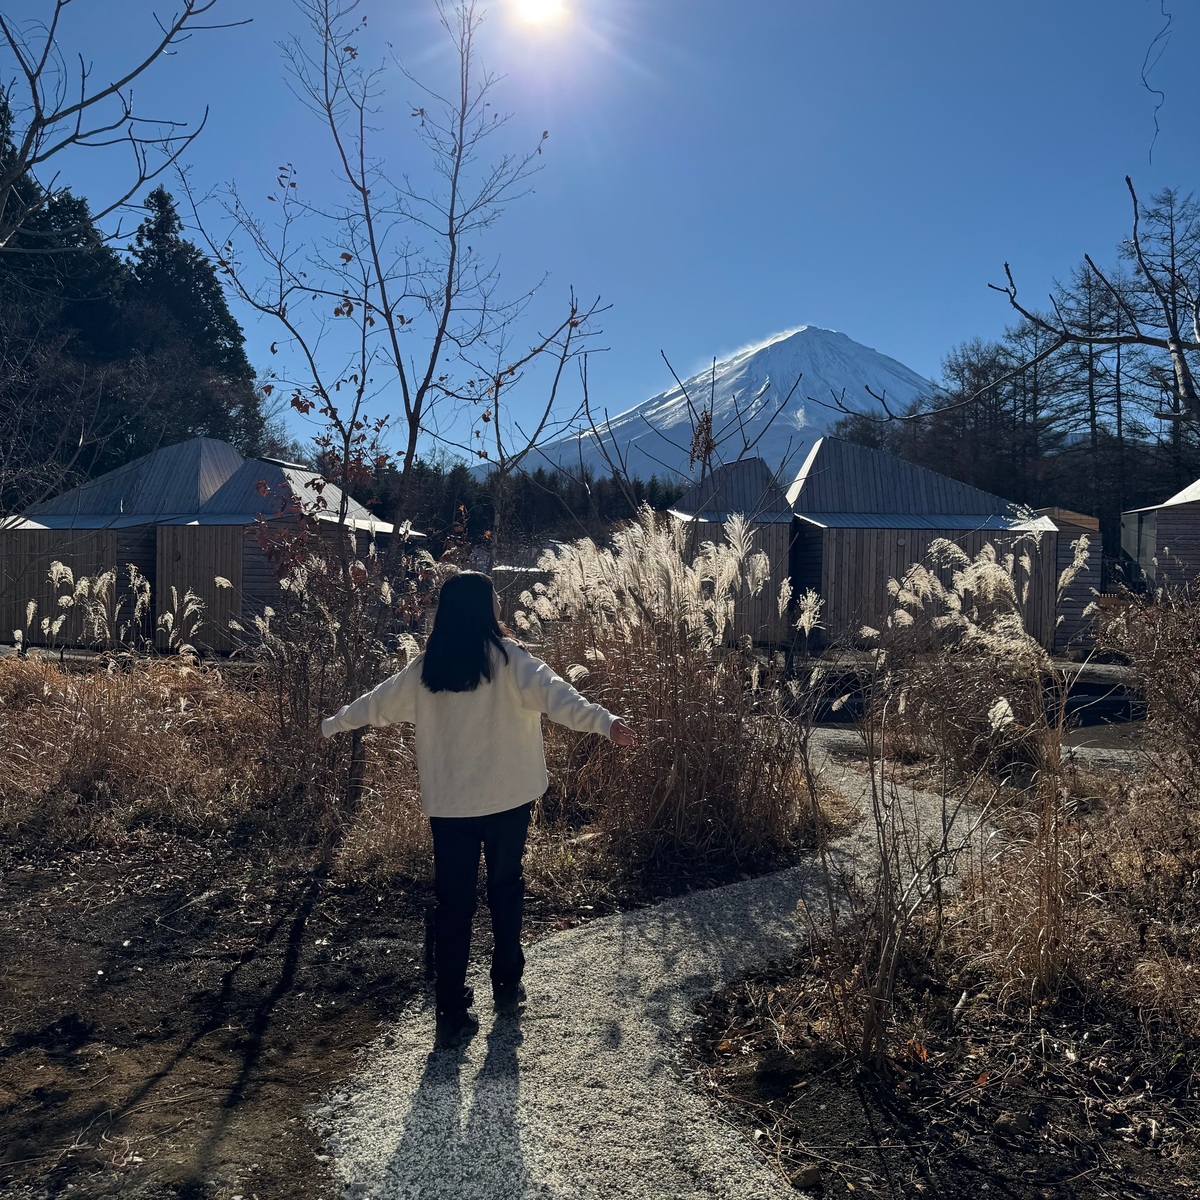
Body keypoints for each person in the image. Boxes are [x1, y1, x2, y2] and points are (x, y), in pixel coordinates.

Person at [321, 570, 636, 1049]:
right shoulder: (511, 661)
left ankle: (450, 1013)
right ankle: (507, 987)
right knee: (506, 888)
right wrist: (605, 722)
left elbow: (375, 704)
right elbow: (558, 697)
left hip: (450, 806)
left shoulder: (428, 667)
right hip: (509, 799)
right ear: (485, 610)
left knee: (454, 904)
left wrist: (333, 724)